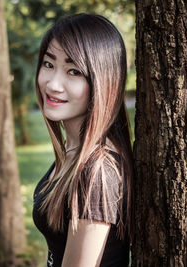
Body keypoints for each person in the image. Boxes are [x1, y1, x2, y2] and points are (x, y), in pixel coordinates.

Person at [32, 14, 134, 267]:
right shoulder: (75, 151)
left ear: (102, 81)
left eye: (73, 71)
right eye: (48, 64)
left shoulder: (97, 171)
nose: (53, 84)